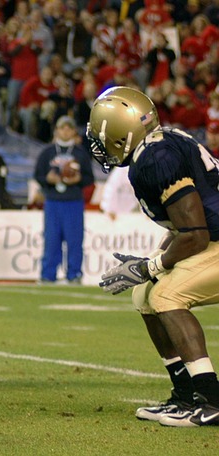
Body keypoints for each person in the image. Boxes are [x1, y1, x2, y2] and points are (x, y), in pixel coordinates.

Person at [90, 86, 219, 427]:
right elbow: (187, 225)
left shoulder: (155, 158)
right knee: (144, 294)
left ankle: (212, 399)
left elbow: (195, 233)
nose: (99, 146)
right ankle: (186, 394)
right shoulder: (159, 145)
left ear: (119, 134)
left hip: (212, 240)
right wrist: (153, 264)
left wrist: (152, 265)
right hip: (212, 239)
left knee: (166, 293)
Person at [33, 116, 94, 284]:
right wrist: (48, 180)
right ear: (57, 130)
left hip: (73, 200)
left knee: (74, 240)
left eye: (69, 128)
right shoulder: (48, 152)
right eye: (62, 128)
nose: (65, 131)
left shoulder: (80, 153)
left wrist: (78, 179)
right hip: (53, 201)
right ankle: (48, 274)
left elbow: (90, 178)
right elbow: (38, 175)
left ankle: (74, 274)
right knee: (51, 240)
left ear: (74, 131)